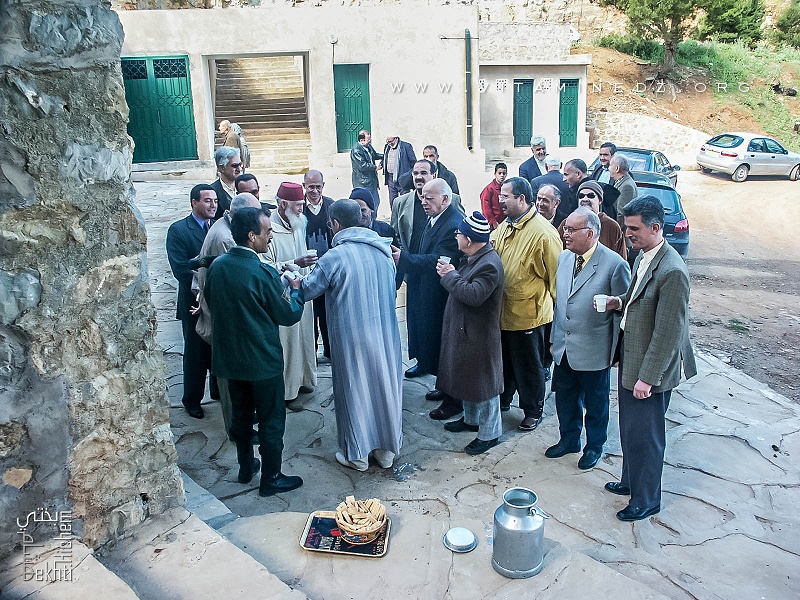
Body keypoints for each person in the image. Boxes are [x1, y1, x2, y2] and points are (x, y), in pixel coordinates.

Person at [603, 195, 697, 521]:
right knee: (630, 429)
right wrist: (618, 302)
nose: (627, 233)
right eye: (627, 227)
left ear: (656, 228)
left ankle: (646, 499)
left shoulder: (673, 271)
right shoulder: (643, 255)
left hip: (649, 367)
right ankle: (629, 482)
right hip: (632, 353)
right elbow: (636, 296)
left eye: (634, 228)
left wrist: (648, 377)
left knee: (648, 437)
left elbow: (668, 332)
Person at [204, 207, 305, 497]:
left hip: (230, 361)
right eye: (267, 232)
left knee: (242, 417)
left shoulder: (218, 267)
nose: (271, 237)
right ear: (251, 236)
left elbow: (211, 300)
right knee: (272, 420)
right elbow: (287, 315)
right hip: (262, 361)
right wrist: (296, 291)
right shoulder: (261, 273)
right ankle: (271, 477)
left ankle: (246, 466)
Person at [302, 200, 403, 472]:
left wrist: (290, 276)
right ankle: (386, 451)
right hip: (384, 333)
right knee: (384, 388)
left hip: (352, 337)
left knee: (355, 390)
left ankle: (357, 454)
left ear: (335, 224)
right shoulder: (383, 251)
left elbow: (307, 290)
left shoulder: (335, 257)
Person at [547, 208, 630, 470]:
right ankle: (569, 439)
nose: (565, 233)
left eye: (571, 230)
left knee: (596, 404)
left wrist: (615, 351)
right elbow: (560, 304)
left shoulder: (615, 264)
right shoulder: (564, 258)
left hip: (595, 349)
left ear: (590, 233)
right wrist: (553, 338)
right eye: (565, 228)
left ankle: (594, 446)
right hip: (564, 347)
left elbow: (623, 310)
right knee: (565, 398)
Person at [491, 177, 561, 431]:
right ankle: (504, 399)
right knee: (506, 362)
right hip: (503, 312)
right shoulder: (505, 226)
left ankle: (533, 409)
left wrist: (558, 325)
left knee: (530, 367)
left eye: (505, 196)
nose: (500, 201)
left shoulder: (544, 234)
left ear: (522, 198)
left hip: (529, 315)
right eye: (500, 195)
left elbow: (557, 281)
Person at [192, 192, 262, 438]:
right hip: (224, 319)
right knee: (231, 379)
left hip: (218, 313)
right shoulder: (226, 238)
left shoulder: (224, 227)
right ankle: (237, 430)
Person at [392, 179, 463, 420]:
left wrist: (404, 259)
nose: (423, 202)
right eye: (422, 197)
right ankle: (442, 386)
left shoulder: (452, 224)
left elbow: (437, 260)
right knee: (431, 341)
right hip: (425, 291)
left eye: (429, 198)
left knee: (445, 346)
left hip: (441, 296)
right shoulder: (433, 217)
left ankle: (453, 400)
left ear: (445, 199)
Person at [436, 212, 505, 455]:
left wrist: (449, 275)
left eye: (459, 234)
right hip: (468, 332)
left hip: (480, 336)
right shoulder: (475, 257)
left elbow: (474, 295)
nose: (456, 237)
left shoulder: (489, 264)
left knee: (485, 386)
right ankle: (471, 420)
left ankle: (490, 434)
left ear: (469, 239)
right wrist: (454, 272)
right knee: (469, 380)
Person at [262, 182, 318, 403]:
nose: (301, 209)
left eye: (302, 205)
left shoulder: (299, 223)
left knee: (305, 337)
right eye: (297, 205)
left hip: (301, 290)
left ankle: (305, 380)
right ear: (283, 204)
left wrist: (309, 268)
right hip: (283, 296)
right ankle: (288, 391)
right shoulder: (269, 228)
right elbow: (265, 264)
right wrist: (294, 262)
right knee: (288, 344)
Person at [166, 184, 217, 419]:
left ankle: (217, 390)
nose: (213, 205)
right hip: (193, 301)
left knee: (218, 348)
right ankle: (192, 400)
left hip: (217, 300)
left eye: (215, 201)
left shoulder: (217, 228)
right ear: (194, 203)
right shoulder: (178, 230)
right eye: (207, 201)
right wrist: (203, 268)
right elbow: (179, 268)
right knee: (195, 353)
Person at [391, 160, 465, 253]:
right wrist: (404, 257)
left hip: (438, 262)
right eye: (415, 173)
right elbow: (394, 234)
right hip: (409, 263)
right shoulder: (400, 202)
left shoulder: (451, 200)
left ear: (434, 176)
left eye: (423, 173)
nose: (418, 177)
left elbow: (463, 230)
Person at [302, 170, 334, 363]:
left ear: (323, 186)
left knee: (327, 312)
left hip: (328, 268)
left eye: (318, 186)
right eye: (310, 187)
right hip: (306, 269)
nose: (314, 191)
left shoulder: (331, 206)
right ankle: (309, 353)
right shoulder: (299, 208)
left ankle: (330, 351)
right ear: (304, 186)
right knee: (309, 314)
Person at [557, 180, 627, 260]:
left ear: (600, 200)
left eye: (590, 196)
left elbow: (621, 259)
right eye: (581, 196)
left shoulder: (612, 226)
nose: (585, 199)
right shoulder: (566, 223)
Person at [350, 130, 382, 210]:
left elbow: (374, 155)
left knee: (375, 201)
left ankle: (373, 220)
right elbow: (362, 166)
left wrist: (385, 155)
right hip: (363, 182)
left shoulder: (368, 147)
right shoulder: (356, 150)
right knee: (365, 204)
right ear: (362, 140)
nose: (370, 141)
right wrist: (375, 167)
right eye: (368, 139)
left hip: (372, 181)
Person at [383, 136, 417, 206]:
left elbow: (413, 162)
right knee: (392, 200)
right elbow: (386, 158)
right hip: (390, 178)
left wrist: (409, 175)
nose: (389, 143)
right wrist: (381, 165)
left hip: (402, 177)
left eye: (391, 141)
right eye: (388, 141)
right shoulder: (387, 147)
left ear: (396, 138)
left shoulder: (406, 146)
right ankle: (395, 215)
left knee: (405, 200)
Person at [210, 146, 242, 219]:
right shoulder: (213, 191)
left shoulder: (245, 185)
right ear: (222, 168)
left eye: (240, 164)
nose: (239, 169)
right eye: (235, 166)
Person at [611, 154, 638, 230]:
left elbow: (622, 214)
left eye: (610, 165)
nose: (609, 168)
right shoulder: (621, 181)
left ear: (617, 168)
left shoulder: (627, 186)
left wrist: (614, 232)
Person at [480, 162, 507, 230]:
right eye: (499, 173)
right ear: (495, 174)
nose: (502, 175)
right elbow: (486, 208)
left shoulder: (507, 188)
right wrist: (493, 222)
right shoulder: (489, 189)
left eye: (504, 173)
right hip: (492, 224)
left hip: (504, 222)